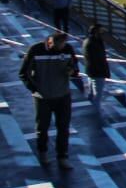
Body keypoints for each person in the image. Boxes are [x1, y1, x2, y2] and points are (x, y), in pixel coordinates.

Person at [19, 32, 80, 168]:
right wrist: (35, 89)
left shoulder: (68, 49)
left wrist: (72, 71)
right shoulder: (36, 50)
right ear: (51, 42)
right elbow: (23, 73)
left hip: (63, 96)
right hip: (43, 98)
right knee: (42, 127)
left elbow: (75, 68)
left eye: (63, 44)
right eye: (59, 44)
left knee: (63, 128)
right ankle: (43, 153)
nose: (62, 47)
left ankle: (62, 156)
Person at [82, 23, 110, 108]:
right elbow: (98, 59)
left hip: (93, 72)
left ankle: (93, 111)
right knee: (97, 97)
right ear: (96, 33)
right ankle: (96, 115)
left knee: (92, 95)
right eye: (101, 32)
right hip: (97, 73)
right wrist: (103, 72)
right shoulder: (92, 43)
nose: (103, 34)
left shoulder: (91, 41)